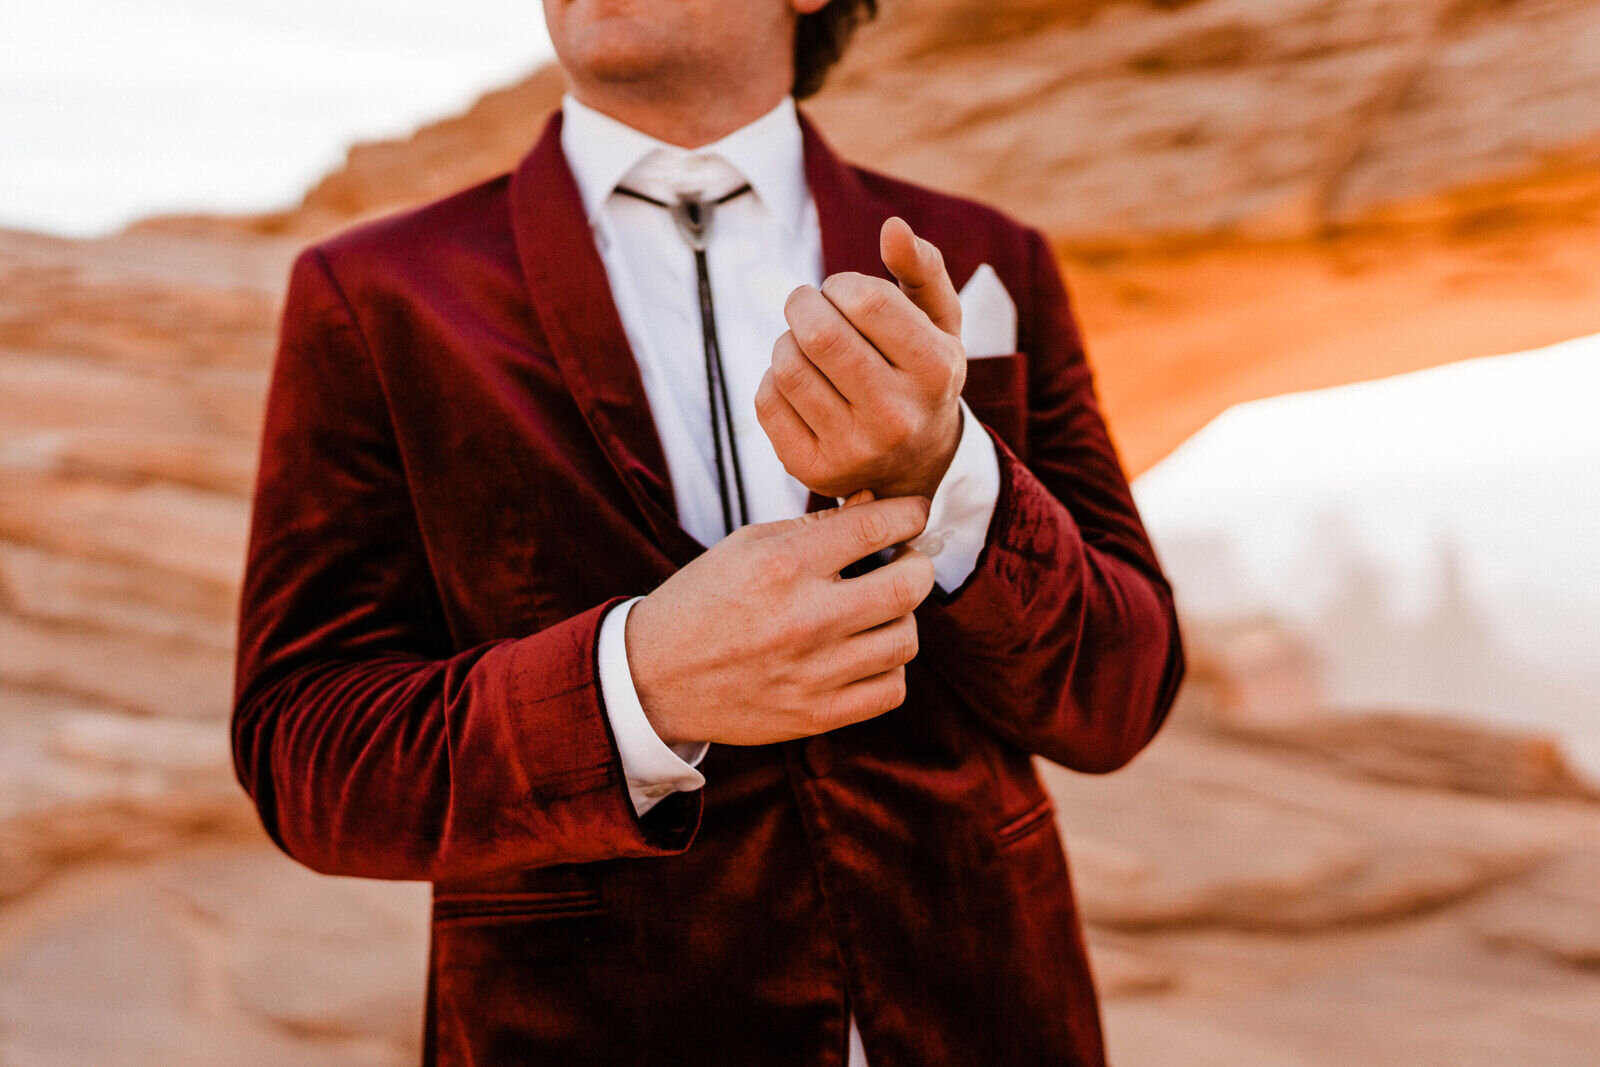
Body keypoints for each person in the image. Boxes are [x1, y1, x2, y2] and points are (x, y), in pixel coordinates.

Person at [231, 0, 1186, 1063]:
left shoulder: (985, 253)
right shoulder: (378, 293)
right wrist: (635, 685)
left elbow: (1123, 692)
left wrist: (944, 470)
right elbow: (304, 751)